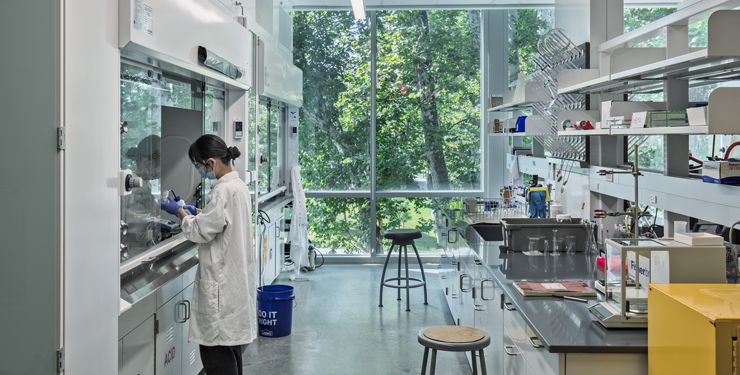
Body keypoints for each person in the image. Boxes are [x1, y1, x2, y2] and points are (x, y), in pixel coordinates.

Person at [160, 134, 255, 375]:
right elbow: (221, 219)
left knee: (216, 357)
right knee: (231, 354)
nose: (199, 171)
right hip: (234, 286)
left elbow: (200, 231)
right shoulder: (238, 186)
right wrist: (197, 210)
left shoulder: (222, 190)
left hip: (220, 290)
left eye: (198, 166)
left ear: (210, 163)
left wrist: (180, 212)